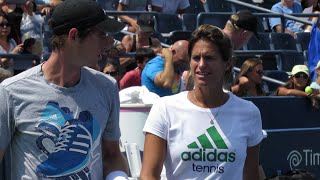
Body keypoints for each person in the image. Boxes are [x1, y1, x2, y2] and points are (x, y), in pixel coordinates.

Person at [0, 0, 130, 179]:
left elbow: (112, 154)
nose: (109, 43)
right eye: (102, 35)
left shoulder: (107, 87)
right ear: (74, 35)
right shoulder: (11, 91)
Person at [141, 24, 263, 180]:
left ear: (228, 64)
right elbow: (148, 175)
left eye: (210, 58)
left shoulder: (249, 112)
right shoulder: (165, 108)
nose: (201, 65)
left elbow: (250, 175)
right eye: (196, 58)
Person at [184, 10, 259, 91]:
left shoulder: (210, 40)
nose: (246, 42)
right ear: (244, 34)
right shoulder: (218, 46)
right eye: (249, 37)